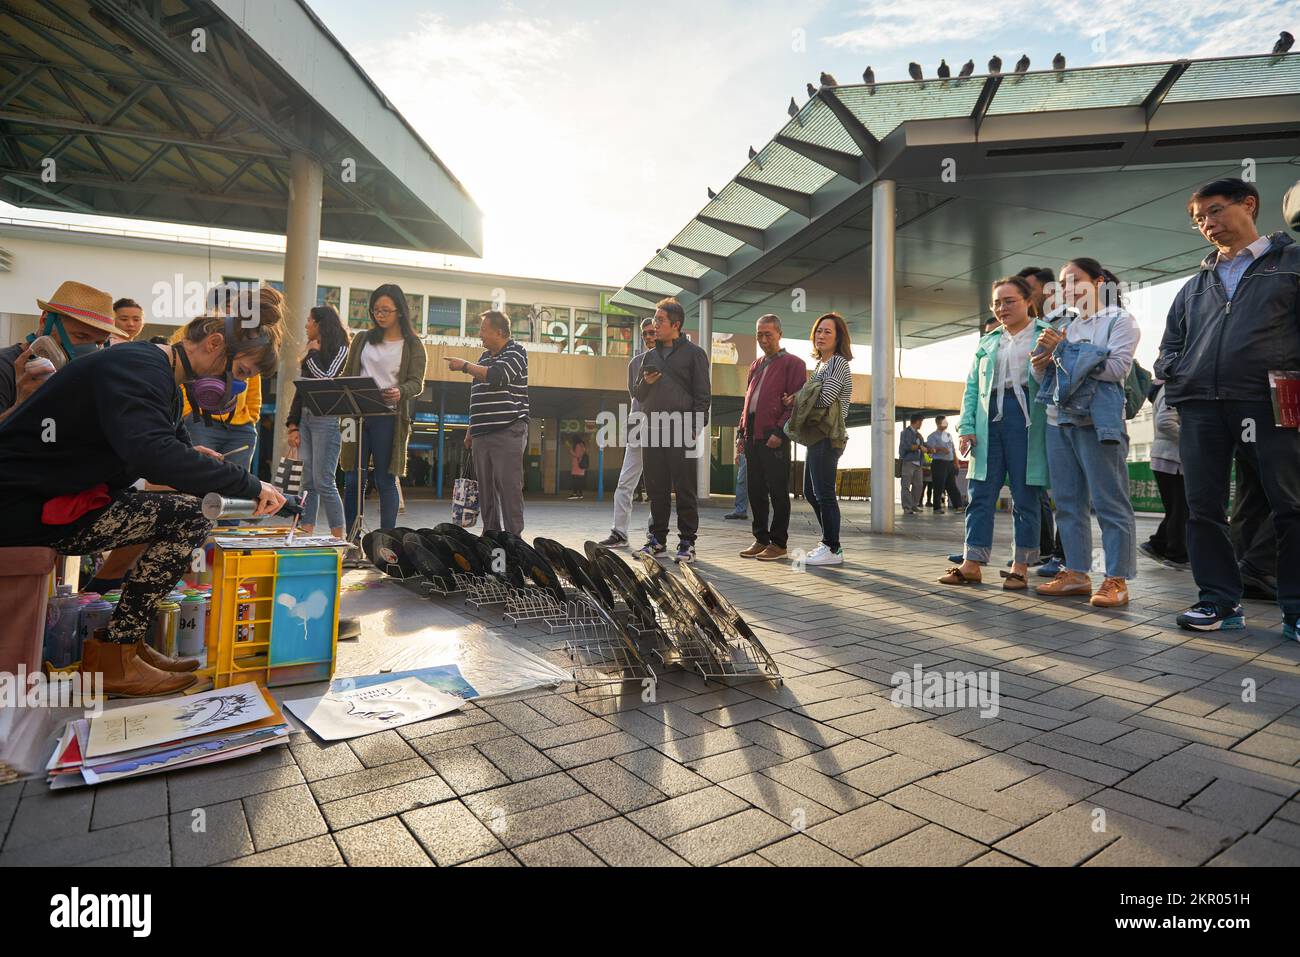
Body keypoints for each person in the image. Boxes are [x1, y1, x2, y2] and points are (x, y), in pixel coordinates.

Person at [0, 287, 286, 696]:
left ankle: (126, 645)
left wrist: (193, 457)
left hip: (50, 499)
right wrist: (251, 483)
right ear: (214, 343)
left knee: (186, 508)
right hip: (21, 506)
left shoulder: (160, 376)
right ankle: (117, 653)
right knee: (189, 515)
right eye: (239, 373)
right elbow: (154, 454)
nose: (234, 388)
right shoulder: (140, 366)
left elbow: (168, 448)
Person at [1155, 178, 1300, 638]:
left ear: (1249, 205)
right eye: (1199, 219)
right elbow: (1169, 345)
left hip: (1269, 401)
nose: (1208, 225)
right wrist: (1178, 374)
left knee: (1289, 505)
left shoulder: (1292, 264)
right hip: (1202, 409)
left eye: (1215, 212)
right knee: (1203, 509)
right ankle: (1218, 601)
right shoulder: (1196, 285)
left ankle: (1295, 609)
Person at [1032, 258, 1139, 607]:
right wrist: (1043, 362)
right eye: (1062, 284)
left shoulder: (1120, 322)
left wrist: (1063, 352)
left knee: (1110, 503)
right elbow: (1048, 379)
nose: (1066, 289)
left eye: (1075, 280)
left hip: (1099, 422)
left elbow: (1115, 368)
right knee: (1067, 503)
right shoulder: (1069, 326)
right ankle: (1076, 573)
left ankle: (1116, 579)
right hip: (1059, 420)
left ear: (1099, 282)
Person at [942, 277, 1049, 589]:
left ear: (1028, 300)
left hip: (1028, 419)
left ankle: (1021, 567)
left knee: (1026, 495)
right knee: (979, 494)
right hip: (990, 421)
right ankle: (971, 562)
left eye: (1009, 301)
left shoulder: (1045, 334)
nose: (1002, 308)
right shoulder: (988, 341)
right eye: (997, 303)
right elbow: (972, 388)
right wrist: (968, 427)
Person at [341, 284, 428, 534]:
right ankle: (352, 538)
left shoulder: (412, 345)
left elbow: (416, 383)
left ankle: (385, 538)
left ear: (399, 311)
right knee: (352, 479)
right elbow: (348, 374)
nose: (379, 315)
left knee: (385, 479)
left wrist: (401, 390)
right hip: (355, 417)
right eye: (375, 310)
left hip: (388, 417)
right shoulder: (361, 339)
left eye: (385, 310)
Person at [634, 297, 710, 563]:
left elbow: (703, 395)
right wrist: (646, 382)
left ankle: (687, 542)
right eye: (654, 319)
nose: (654, 325)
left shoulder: (695, 354)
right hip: (653, 429)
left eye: (660, 320)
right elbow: (638, 393)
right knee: (656, 488)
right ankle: (657, 540)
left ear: (676, 325)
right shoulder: (649, 356)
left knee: (685, 488)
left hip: (681, 429)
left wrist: (694, 427)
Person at [446, 309, 528, 535]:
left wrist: (464, 365)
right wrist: (471, 428)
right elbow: (477, 394)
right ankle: (491, 533)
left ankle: (514, 539)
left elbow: (497, 376)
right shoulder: (483, 358)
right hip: (481, 433)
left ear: (499, 332)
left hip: (507, 429)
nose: (479, 334)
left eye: (483, 330)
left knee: (509, 487)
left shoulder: (517, 352)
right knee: (485, 488)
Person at [737, 314, 807, 561]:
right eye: (759, 335)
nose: (764, 339)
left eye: (768, 334)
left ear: (780, 334)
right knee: (755, 490)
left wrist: (780, 431)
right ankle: (760, 538)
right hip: (752, 434)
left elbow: (795, 404)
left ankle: (779, 543)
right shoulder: (755, 365)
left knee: (778, 491)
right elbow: (747, 402)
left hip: (774, 435)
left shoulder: (794, 364)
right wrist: (740, 435)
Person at [176, 283, 264, 472]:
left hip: (241, 427)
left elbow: (253, 382)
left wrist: (251, 417)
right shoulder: (192, 332)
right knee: (198, 477)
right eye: (231, 307)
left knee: (236, 487)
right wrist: (188, 413)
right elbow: (180, 376)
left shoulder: (246, 343)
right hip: (200, 420)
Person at [0, 281, 116, 422]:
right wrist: (22, 405)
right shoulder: (4, 367)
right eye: (81, 336)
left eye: (98, 343)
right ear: (44, 320)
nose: (90, 350)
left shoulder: (81, 378)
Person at [790, 312, 852, 566]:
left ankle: (832, 547)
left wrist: (801, 397)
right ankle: (828, 542)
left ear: (838, 338)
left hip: (828, 436)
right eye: (818, 331)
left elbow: (825, 399)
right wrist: (801, 396)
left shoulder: (838, 363)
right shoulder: (820, 365)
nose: (821, 335)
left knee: (824, 493)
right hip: (816, 437)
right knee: (810, 491)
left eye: (827, 331)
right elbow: (813, 396)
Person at [286, 305, 350, 538]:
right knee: (308, 482)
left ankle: (337, 538)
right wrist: (292, 425)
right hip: (305, 417)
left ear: (320, 324)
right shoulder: (311, 351)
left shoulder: (341, 347)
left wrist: (311, 354)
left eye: (309, 321)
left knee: (324, 482)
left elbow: (326, 378)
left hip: (326, 419)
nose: (306, 325)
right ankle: (306, 531)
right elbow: (301, 390)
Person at [599, 317, 655, 547]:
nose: (650, 337)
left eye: (653, 332)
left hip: (663, 429)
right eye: (646, 334)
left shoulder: (672, 362)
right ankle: (619, 533)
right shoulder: (635, 363)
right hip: (638, 429)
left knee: (657, 487)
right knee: (624, 483)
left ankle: (655, 534)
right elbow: (634, 398)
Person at [1139, 380, 1188, 569]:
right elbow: (1165, 422)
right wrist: (1193, 439)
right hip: (1172, 458)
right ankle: (1176, 554)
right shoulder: (1172, 386)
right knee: (1181, 509)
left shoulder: (1166, 386)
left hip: (1168, 457)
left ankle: (1157, 545)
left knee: (1177, 509)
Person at [925, 416, 964, 512]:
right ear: (938, 423)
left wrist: (956, 462)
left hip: (949, 463)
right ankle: (937, 507)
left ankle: (958, 505)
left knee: (952, 485)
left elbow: (953, 449)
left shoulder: (948, 435)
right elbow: (930, 450)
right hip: (939, 463)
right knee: (938, 485)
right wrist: (940, 449)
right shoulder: (932, 436)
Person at [899, 414, 926, 514]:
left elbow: (923, 445)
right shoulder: (905, 433)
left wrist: (929, 448)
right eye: (921, 422)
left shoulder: (918, 434)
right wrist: (919, 447)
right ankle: (907, 507)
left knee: (919, 485)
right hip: (908, 462)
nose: (921, 424)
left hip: (918, 463)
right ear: (917, 421)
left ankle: (914, 505)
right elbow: (906, 446)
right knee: (906, 485)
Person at [724, 452, 749, 520]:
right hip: (747, 452)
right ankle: (741, 510)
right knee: (742, 481)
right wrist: (739, 453)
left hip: (752, 451)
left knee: (742, 482)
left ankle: (741, 510)